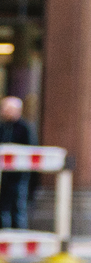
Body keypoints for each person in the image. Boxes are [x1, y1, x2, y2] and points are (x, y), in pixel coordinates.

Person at [0, 96, 37, 230]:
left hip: (18, 176)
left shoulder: (25, 128)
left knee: (17, 206)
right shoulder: (2, 126)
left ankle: (19, 234)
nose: (5, 112)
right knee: (2, 207)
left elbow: (31, 150)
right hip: (3, 176)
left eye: (8, 109)